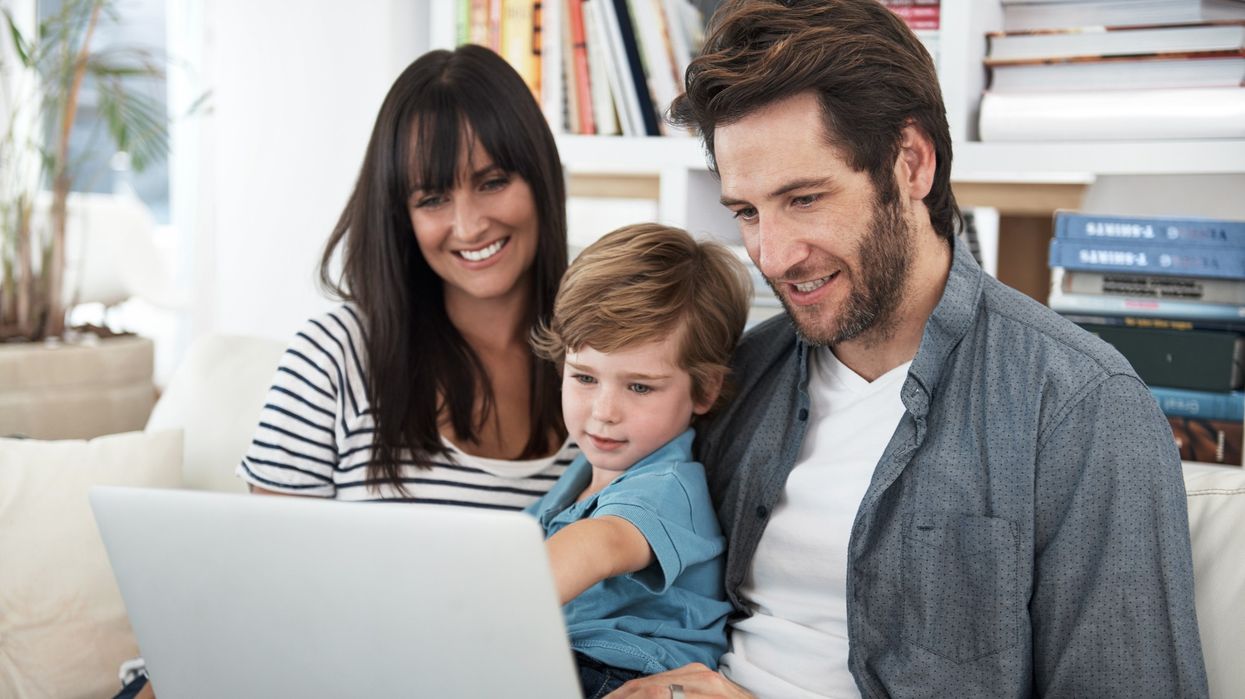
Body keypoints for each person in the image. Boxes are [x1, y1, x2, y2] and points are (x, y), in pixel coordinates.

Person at [609, 1, 1208, 697]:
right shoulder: (742, 374)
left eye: (803, 199)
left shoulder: (1077, 407)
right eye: (745, 211)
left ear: (911, 163)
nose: (770, 255)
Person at [115, 44, 576, 699]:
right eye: (432, 196)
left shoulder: (606, 365)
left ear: (539, 177)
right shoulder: (338, 354)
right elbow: (262, 596)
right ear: (400, 212)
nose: (469, 223)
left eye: (494, 180)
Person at [527, 223, 750, 698]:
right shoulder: (580, 478)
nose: (604, 412)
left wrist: (477, 607)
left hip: (616, 672)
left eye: (640, 386)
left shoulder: (669, 485)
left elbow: (601, 544)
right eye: (585, 378)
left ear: (704, 389)